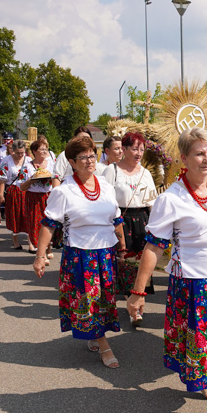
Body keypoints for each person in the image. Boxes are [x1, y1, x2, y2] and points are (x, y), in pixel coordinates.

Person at [127, 127, 207, 413]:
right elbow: (153, 247)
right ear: (183, 159)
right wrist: (138, 292)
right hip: (195, 281)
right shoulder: (172, 199)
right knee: (205, 342)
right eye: (199, 154)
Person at [33, 136, 126, 369]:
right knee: (89, 299)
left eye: (92, 155)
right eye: (83, 157)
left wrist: (123, 247)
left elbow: (116, 218)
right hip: (81, 254)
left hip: (105, 252)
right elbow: (48, 224)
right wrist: (40, 256)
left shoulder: (105, 185)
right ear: (72, 162)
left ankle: (95, 333)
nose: (89, 161)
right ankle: (105, 345)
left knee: (105, 299)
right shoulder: (64, 191)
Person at [106, 132, 157, 310]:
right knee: (124, 263)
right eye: (134, 149)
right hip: (120, 222)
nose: (138, 153)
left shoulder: (145, 173)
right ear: (124, 149)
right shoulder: (111, 171)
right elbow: (105, 201)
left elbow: (152, 203)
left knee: (142, 264)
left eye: (141, 149)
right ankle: (131, 304)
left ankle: (138, 302)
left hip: (142, 221)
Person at [20, 139, 59, 257]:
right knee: (36, 223)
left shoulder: (52, 164)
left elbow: (58, 179)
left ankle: (48, 248)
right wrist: (32, 179)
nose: (44, 151)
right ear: (34, 151)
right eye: (41, 149)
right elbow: (22, 187)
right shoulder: (27, 166)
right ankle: (41, 253)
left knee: (49, 222)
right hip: (33, 197)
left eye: (45, 149)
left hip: (48, 196)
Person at [0, 139, 29, 249]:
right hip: (13, 191)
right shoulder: (6, 161)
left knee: (27, 216)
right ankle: (15, 240)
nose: (20, 155)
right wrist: (1, 194)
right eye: (18, 153)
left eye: (22, 152)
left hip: (26, 191)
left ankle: (30, 242)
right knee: (15, 216)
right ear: (13, 151)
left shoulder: (29, 160)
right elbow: (2, 179)